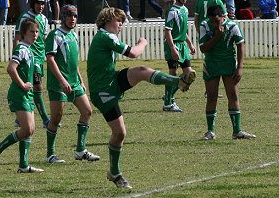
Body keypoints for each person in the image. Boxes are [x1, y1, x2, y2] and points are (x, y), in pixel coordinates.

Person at [87, 7, 195, 189]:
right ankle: (114, 172)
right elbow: (133, 53)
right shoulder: (105, 36)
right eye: (118, 20)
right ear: (107, 20)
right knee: (120, 133)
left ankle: (179, 82)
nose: (121, 24)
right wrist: (143, 42)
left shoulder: (106, 36)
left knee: (142, 71)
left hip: (111, 81)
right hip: (102, 90)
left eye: (122, 21)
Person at [44, 4, 100, 164]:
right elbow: (50, 59)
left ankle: (80, 150)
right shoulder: (55, 35)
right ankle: (50, 154)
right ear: (63, 17)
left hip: (74, 83)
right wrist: (62, 80)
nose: (73, 19)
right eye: (70, 16)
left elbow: (74, 62)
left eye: (75, 16)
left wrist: (81, 80)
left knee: (87, 111)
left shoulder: (74, 36)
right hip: (58, 84)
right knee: (56, 118)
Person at [0, 18, 44, 173]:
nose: (35, 35)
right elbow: (10, 68)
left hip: (27, 94)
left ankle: (23, 165)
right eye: (31, 32)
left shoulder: (29, 49)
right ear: (23, 33)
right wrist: (22, 84)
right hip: (19, 94)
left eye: (36, 31)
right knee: (27, 129)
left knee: (30, 129)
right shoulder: (21, 48)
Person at [199, 5, 256, 140]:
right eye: (211, 20)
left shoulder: (232, 26)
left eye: (216, 21)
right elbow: (203, 48)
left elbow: (240, 45)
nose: (213, 24)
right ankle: (210, 132)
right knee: (212, 97)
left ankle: (237, 131)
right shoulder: (204, 26)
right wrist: (217, 36)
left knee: (233, 96)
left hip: (229, 64)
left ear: (223, 17)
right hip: (211, 64)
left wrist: (240, 68)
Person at [13, 0, 50, 128]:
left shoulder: (44, 19)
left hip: (40, 58)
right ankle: (45, 119)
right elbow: (17, 39)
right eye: (38, 3)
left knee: (32, 86)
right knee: (37, 87)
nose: (41, 6)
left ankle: (20, 117)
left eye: (43, 4)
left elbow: (44, 38)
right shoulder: (24, 18)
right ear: (32, 3)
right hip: (29, 59)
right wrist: (17, 58)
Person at [162, 0, 196, 112]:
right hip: (173, 44)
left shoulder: (185, 10)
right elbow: (168, 31)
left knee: (189, 74)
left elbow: (183, 30)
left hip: (182, 45)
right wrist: (172, 48)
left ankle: (169, 95)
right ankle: (167, 104)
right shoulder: (172, 11)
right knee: (173, 73)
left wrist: (190, 44)